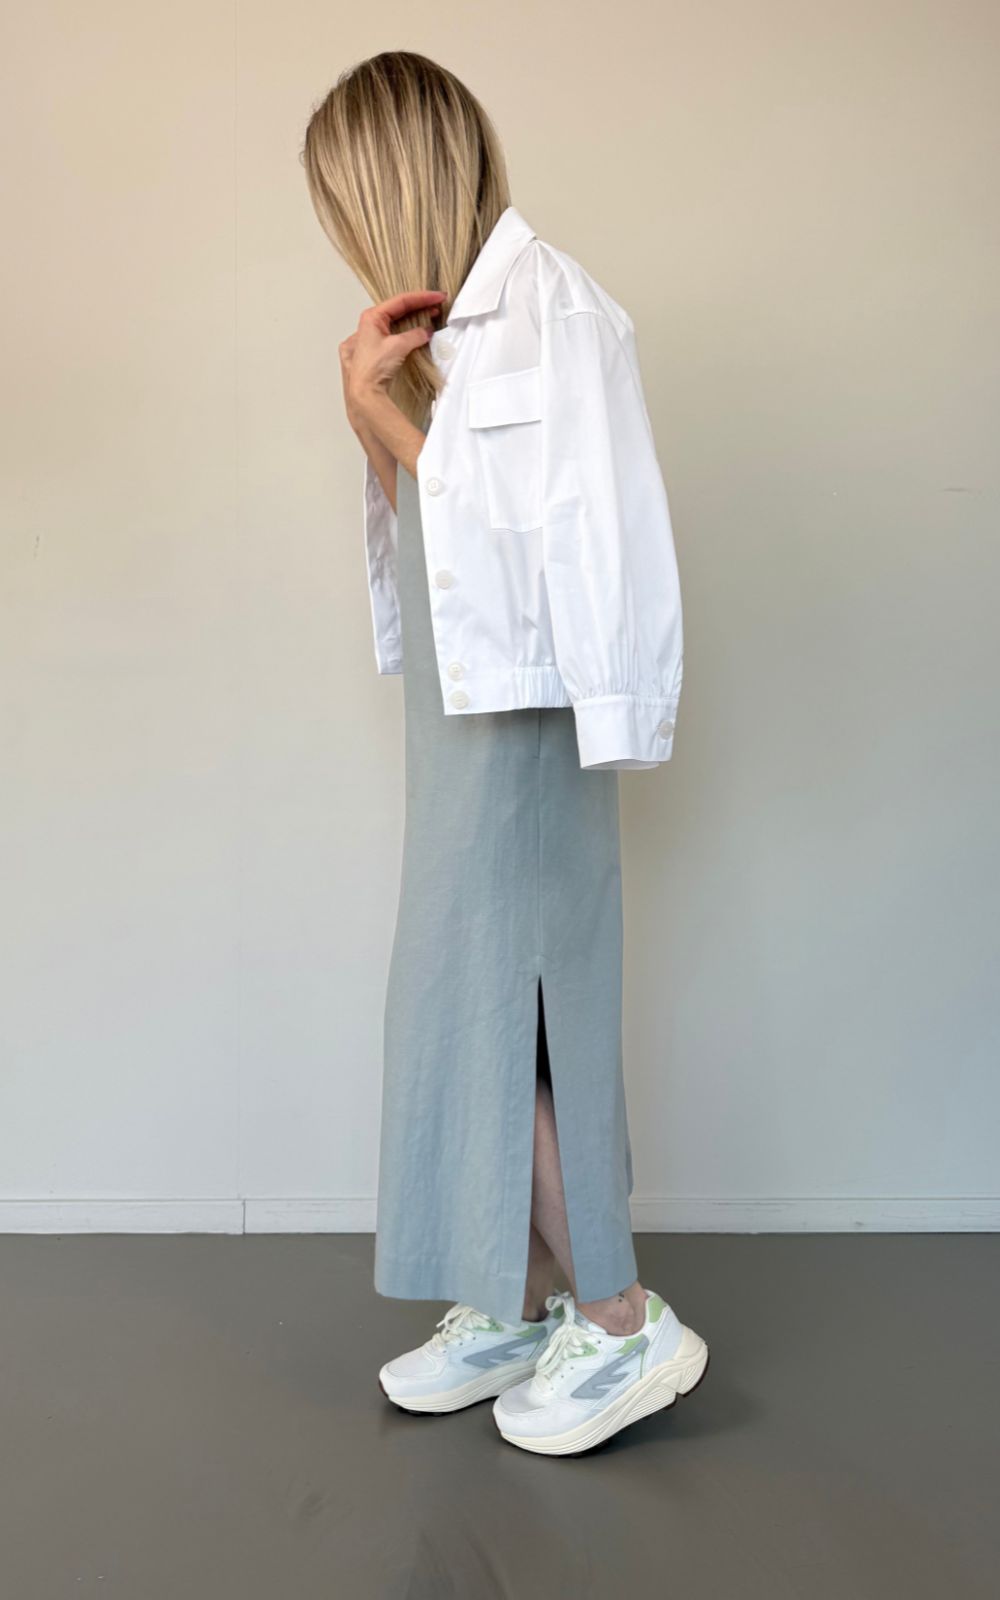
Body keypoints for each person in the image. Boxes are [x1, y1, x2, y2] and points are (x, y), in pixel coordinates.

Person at [302, 50, 708, 1455]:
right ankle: (516, 1295)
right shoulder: (455, 333)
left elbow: (581, 538)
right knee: (468, 1002)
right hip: (459, 709)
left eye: (348, 202)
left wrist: (385, 422)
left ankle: (622, 1319)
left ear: (393, 183)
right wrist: (378, 416)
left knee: (527, 1003)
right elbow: (439, 532)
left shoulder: (556, 310)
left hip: (530, 717)